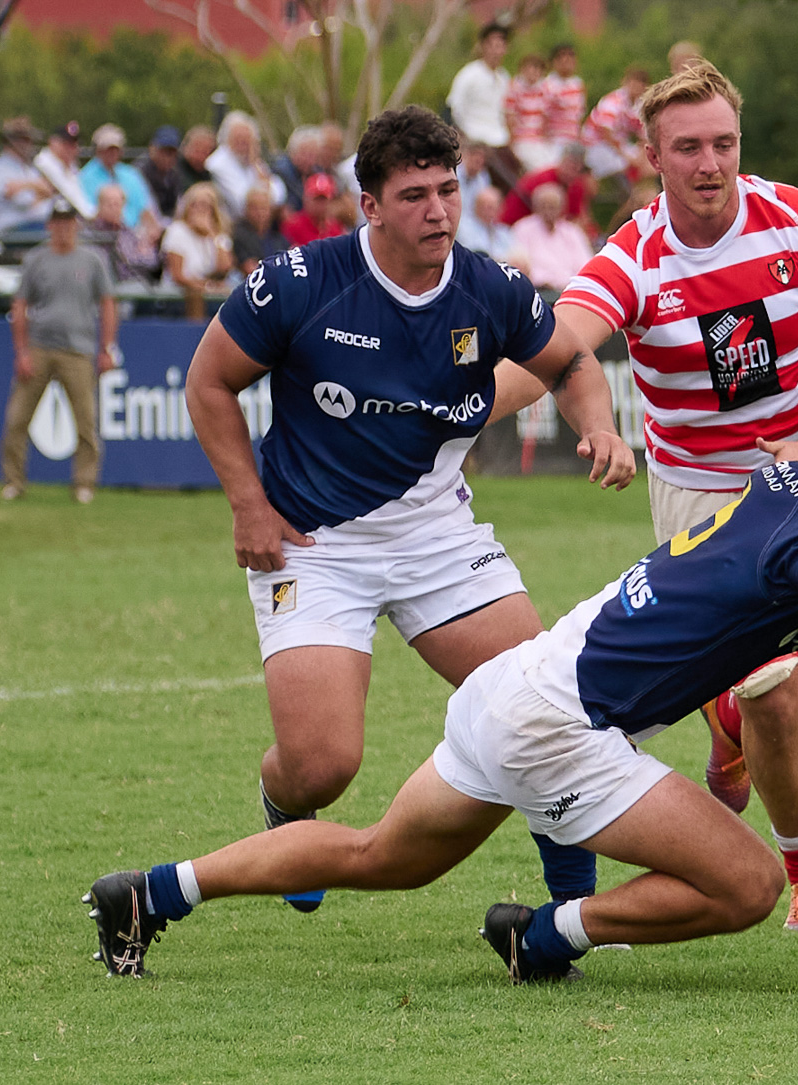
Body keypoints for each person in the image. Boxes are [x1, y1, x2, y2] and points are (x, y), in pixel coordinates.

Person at [84, 461, 798, 981]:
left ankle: (153, 891)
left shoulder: (792, 485)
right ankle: (549, 935)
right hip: (559, 725)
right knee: (748, 885)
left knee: (380, 853)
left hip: (516, 685)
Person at [180, 105, 634, 916]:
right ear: (371, 206)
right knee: (322, 765)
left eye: (448, 190)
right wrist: (248, 506)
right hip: (314, 544)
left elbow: (570, 362)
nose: (438, 211)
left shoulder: (489, 287)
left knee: (547, 709)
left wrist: (598, 426)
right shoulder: (302, 281)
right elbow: (208, 380)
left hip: (437, 537)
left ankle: (568, 913)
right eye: (415, 195)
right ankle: (287, 804)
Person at [557, 62, 798, 930]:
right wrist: (590, 421)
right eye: (689, 148)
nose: (710, 164)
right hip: (702, 493)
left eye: (724, 143)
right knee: (772, 682)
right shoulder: (634, 255)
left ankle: (730, 719)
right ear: (653, 156)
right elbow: (566, 339)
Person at [0, 200, 117, 505]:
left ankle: (85, 483)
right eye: (58, 222)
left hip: (78, 349)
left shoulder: (92, 260)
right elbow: (20, 305)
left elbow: (107, 303)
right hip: (39, 346)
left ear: (75, 225)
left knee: (86, 421)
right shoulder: (36, 259)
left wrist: (107, 347)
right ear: (50, 225)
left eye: (68, 222)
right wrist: (21, 351)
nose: (63, 228)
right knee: (17, 418)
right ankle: (13, 481)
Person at [448, 23, 515, 178]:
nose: (496, 51)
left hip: (499, 140)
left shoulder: (504, 77)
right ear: (483, 46)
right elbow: (453, 108)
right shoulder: (469, 74)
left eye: (501, 46)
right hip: (474, 139)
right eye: (493, 45)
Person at [505, 183, 593, 288]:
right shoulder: (523, 228)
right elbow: (520, 264)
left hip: (570, 287)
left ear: (561, 208)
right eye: (543, 206)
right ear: (535, 207)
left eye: (552, 207)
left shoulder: (572, 232)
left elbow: (584, 263)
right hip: (537, 288)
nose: (548, 211)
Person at [160, 182, 236, 302]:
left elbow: (225, 269)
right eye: (195, 205)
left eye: (206, 206)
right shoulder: (177, 231)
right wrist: (207, 287)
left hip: (209, 294)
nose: (200, 210)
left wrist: (213, 237)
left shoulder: (218, 235)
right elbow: (178, 276)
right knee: (196, 297)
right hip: (179, 295)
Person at [499, 144, 595, 237]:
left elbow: (576, 217)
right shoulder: (543, 181)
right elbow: (545, 217)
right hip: (515, 229)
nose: (570, 171)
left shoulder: (577, 185)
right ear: (561, 162)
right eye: (568, 165)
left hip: (547, 233)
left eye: (576, 168)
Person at [77, 124, 157, 230]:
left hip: (135, 232)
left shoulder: (132, 174)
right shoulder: (84, 178)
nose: (112, 153)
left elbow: (146, 208)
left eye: (115, 149)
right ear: (98, 151)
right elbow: (88, 214)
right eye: (107, 149)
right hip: (101, 232)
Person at [579, 67, 650, 187]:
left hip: (617, 144)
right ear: (625, 82)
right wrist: (627, 157)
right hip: (596, 144)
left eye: (640, 84)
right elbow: (606, 133)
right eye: (633, 82)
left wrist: (641, 156)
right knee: (626, 165)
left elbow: (645, 135)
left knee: (649, 164)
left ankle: (638, 193)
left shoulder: (639, 105)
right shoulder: (613, 101)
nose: (636, 87)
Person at [0, 117, 56, 235]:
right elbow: (23, 201)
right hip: (10, 229)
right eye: (26, 139)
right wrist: (36, 187)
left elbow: (49, 192)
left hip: (37, 225)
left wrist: (25, 186)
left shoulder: (29, 168)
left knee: (67, 229)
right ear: (13, 142)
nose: (31, 144)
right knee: (56, 234)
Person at [207, 113, 286, 218]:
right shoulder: (218, 164)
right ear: (226, 139)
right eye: (238, 139)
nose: (244, 144)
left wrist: (255, 165)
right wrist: (266, 191)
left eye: (248, 139)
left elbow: (280, 195)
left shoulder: (252, 160)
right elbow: (243, 204)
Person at [83, 184, 163, 287]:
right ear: (99, 205)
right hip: (104, 285)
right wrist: (138, 255)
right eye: (109, 204)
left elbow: (151, 261)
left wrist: (142, 253)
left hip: (133, 285)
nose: (113, 208)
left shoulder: (127, 232)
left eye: (117, 204)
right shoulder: (91, 232)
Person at [35, 122, 96, 220]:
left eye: (75, 143)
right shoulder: (44, 163)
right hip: (49, 220)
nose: (72, 148)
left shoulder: (71, 166)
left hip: (72, 219)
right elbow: (69, 195)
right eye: (66, 143)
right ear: (53, 142)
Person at [505, 54, 554, 173]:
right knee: (537, 167)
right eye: (530, 68)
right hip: (522, 139)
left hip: (538, 139)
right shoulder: (515, 88)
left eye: (537, 69)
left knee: (551, 164)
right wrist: (511, 142)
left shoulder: (544, 90)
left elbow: (545, 118)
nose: (533, 72)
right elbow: (510, 117)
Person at [231, 187, 288, 274]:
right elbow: (250, 268)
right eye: (254, 208)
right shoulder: (238, 235)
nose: (259, 213)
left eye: (263, 208)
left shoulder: (278, 235)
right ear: (246, 209)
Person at [544, 44, 587, 158]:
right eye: (562, 58)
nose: (566, 62)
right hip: (554, 140)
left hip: (573, 139)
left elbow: (579, 115)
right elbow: (543, 116)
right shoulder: (548, 85)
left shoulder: (578, 84)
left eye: (570, 58)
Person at [281, 173, 348, 247]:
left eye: (323, 199)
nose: (320, 204)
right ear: (306, 199)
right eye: (316, 199)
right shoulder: (293, 226)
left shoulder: (336, 228)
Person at [137, 125, 185, 220]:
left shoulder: (173, 174)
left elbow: (178, 204)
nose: (168, 157)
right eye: (164, 151)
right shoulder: (139, 173)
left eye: (172, 153)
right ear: (152, 148)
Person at [457, 187, 515, 257]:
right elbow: (474, 253)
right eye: (487, 207)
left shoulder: (503, 231)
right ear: (476, 207)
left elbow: (512, 252)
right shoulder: (464, 228)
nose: (490, 212)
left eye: (494, 207)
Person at [176, 126, 216, 193]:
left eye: (206, 152)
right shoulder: (174, 173)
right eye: (197, 151)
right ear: (185, 148)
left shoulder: (212, 174)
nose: (201, 157)